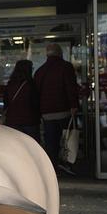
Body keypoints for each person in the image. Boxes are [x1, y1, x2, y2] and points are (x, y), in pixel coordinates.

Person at [34, 43, 79, 174]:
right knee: (66, 141)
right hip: (64, 111)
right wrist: (73, 105)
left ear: (47, 54)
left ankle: (52, 169)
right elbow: (70, 87)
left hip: (47, 113)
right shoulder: (66, 67)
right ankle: (66, 164)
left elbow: (36, 93)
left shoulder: (40, 71)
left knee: (51, 143)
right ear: (60, 53)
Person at [3, 59, 40, 142]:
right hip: (29, 121)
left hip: (12, 121)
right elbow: (35, 104)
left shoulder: (10, 84)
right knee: (31, 146)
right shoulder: (31, 85)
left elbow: (6, 103)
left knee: (15, 146)